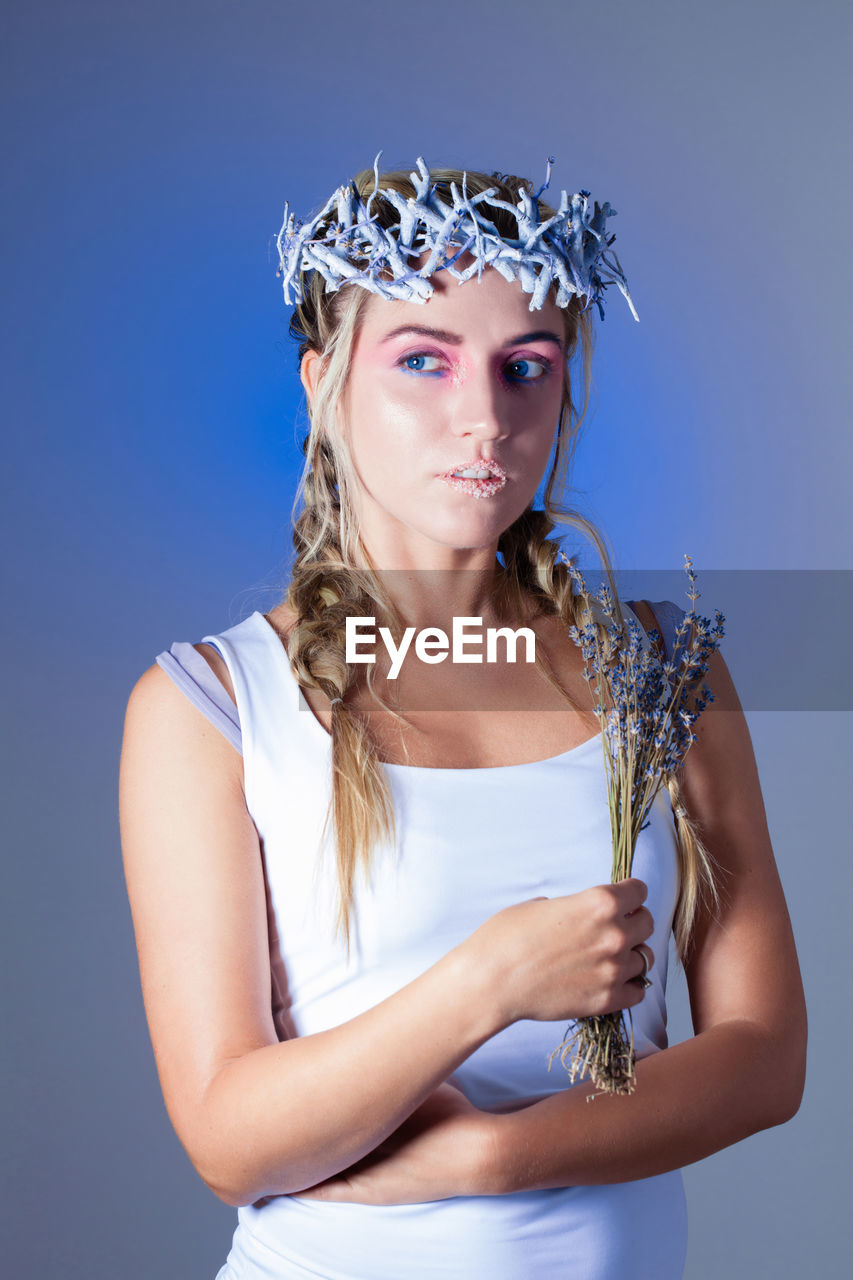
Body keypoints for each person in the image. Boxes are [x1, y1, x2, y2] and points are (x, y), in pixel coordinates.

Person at [118, 154, 807, 1280]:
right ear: (321, 385)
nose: (483, 417)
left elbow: (764, 1056)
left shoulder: (664, 669)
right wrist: (487, 978)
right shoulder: (210, 708)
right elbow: (226, 1133)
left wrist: (494, 1157)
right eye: (423, 362)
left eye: (522, 366)